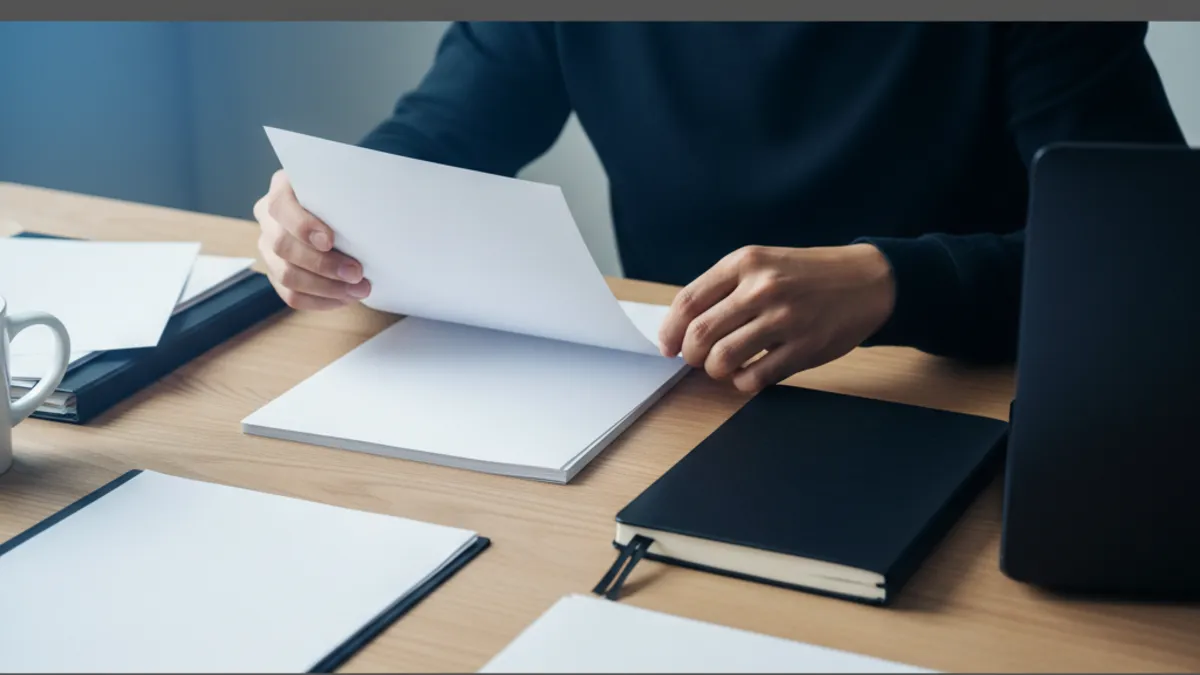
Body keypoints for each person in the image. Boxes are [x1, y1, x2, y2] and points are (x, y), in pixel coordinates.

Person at [254, 22, 1184, 393]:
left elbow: (1154, 252)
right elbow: (446, 131)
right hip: (681, 389)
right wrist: (327, 210)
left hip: (964, 394)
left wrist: (894, 280)